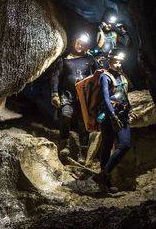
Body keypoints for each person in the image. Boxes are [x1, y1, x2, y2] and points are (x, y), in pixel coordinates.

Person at [51, 34, 99, 163]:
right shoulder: (65, 59)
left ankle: (82, 152)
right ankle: (64, 144)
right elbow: (56, 77)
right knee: (66, 115)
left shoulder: (90, 59)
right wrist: (55, 94)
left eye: (83, 44)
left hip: (84, 97)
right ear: (74, 42)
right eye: (78, 42)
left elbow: (98, 76)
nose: (80, 45)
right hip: (68, 94)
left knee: (83, 123)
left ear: (86, 45)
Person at [94, 50, 133, 193]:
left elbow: (125, 93)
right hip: (109, 115)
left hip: (123, 114)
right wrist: (113, 116)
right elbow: (105, 98)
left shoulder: (122, 76)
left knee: (125, 144)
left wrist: (129, 109)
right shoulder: (105, 76)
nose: (118, 64)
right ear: (109, 61)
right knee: (107, 144)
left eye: (120, 61)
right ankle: (107, 183)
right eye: (116, 61)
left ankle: (103, 175)